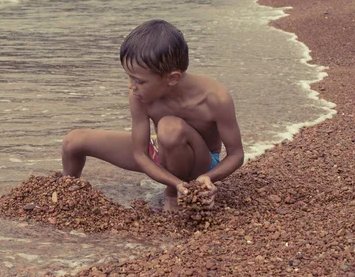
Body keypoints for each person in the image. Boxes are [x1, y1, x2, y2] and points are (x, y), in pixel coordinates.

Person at [61, 19, 245, 211]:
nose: (131, 86)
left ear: (172, 78)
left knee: (169, 128)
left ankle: (173, 195)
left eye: (138, 80)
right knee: (73, 141)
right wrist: (174, 181)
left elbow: (236, 154)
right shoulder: (139, 96)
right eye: (129, 77)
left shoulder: (215, 98)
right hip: (163, 151)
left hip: (202, 163)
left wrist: (209, 177)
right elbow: (140, 154)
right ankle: (67, 191)